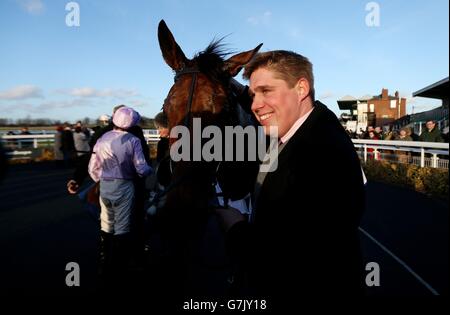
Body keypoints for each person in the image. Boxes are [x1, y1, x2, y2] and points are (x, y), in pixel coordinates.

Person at [218, 50, 366, 301]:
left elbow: (293, 258)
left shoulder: (322, 153)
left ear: (301, 89)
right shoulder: (300, 128)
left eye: (266, 91)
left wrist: (235, 228)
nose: (255, 104)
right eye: (254, 95)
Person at [88, 106, 152, 285]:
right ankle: (117, 267)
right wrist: (149, 171)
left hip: (105, 185)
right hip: (124, 185)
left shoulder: (102, 138)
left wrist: (101, 179)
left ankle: (104, 261)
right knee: (123, 228)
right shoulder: (133, 140)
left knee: (107, 224)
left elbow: (92, 167)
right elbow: (141, 168)